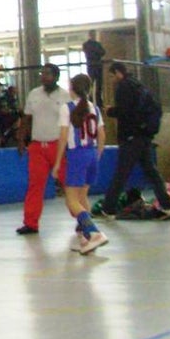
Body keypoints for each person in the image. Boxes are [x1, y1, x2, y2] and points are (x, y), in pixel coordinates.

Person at [99, 62, 170, 220]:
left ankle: (109, 209)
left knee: (121, 173)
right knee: (152, 172)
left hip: (131, 136)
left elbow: (125, 112)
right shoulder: (139, 86)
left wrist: (110, 111)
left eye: (112, 76)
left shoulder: (123, 87)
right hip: (144, 136)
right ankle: (168, 206)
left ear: (118, 73)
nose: (112, 80)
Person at [51, 74, 108, 255]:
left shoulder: (67, 108)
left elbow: (63, 137)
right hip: (91, 153)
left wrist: (58, 162)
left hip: (77, 154)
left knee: (71, 200)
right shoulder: (95, 109)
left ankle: (93, 233)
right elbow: (102, 135)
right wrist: (97, 155)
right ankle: (84, 238)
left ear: (72, 88)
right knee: (83, 198)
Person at [15, 63, 71, 235]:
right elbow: (26, 118)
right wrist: (21, 138)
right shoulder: (34, 94)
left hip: (58, 146)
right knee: (35, 185)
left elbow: (70, 123)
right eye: (42, 73)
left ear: (56, 76)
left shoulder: (65, 96)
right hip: (37, 146)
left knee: (69, 184)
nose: (43, 76)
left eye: (47, 73)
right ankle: (31, 223)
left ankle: (82, 219)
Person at [82, 30, 106, 100]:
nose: (94, 36)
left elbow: (103, 52)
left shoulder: (94, 44)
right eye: (93, 34)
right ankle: (90, 98)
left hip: (95, 65)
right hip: (93, 65)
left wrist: (95, 53)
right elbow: (100, 52)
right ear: (90, 35)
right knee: (91, 83)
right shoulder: (88, 44)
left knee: (98, 84)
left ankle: (97, 99)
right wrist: (96, 53)